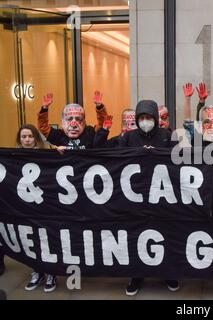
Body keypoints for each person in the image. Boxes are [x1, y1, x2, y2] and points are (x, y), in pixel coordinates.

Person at [118, 99, 178, 296]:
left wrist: (159, 153)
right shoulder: (128, 137)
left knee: (164, 234)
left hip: (161, 196)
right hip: (135, 196)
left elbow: (178, 158)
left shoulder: (166, 135)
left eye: (148, 117)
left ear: (155, 118)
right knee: (137, 235)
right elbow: (116, 159)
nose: (145, 121)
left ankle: (167, 272)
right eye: (141, 118)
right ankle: (136, 275)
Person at [14, 124, 58, 293]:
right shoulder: (13, 157)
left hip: (44, 206)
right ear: (20, 139)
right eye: (24, 137)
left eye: (30, 136)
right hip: (25, 207)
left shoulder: (46, 155)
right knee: (30, 241)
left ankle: (51, 272)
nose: (27, 140)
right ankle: (37, 271)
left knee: (46, 239)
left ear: (36, 139)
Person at [37, 91, 107, 150]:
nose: (73, 124)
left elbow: (103, 126)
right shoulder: (59, 135)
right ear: (62, 122)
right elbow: (43, 127)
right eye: (69, 119)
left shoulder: (89, 133)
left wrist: (99, 106)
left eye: (78, 119)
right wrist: (44, 109)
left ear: (84, 122)